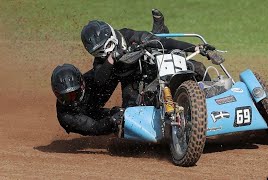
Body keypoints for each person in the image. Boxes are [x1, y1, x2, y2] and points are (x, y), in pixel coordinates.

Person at [51, 9, 175, 137]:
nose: (72, 100)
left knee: (143, 56)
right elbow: (95, 128)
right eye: (66, 97)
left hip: (112, 77)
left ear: (81, 83)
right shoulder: (66, 117)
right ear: (57, 95)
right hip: (96, 117)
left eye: (73, 94)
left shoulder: (91, 79)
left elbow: (100, 77)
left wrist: (115, 57)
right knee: (129, 117)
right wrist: (113, 120)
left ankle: (159, 33)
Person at [81, 9, 213, 107]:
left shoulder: (129, 36)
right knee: (130, 111)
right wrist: (111, 59)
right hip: (131, 79)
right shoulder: (102, 59)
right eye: (100, 52)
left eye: (108, 46)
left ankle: (212, 99)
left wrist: (195, 48)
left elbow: (162, 43)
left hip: (150, 64)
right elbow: (99, 80)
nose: (106, 52)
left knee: (197, 67)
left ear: (112, 36)